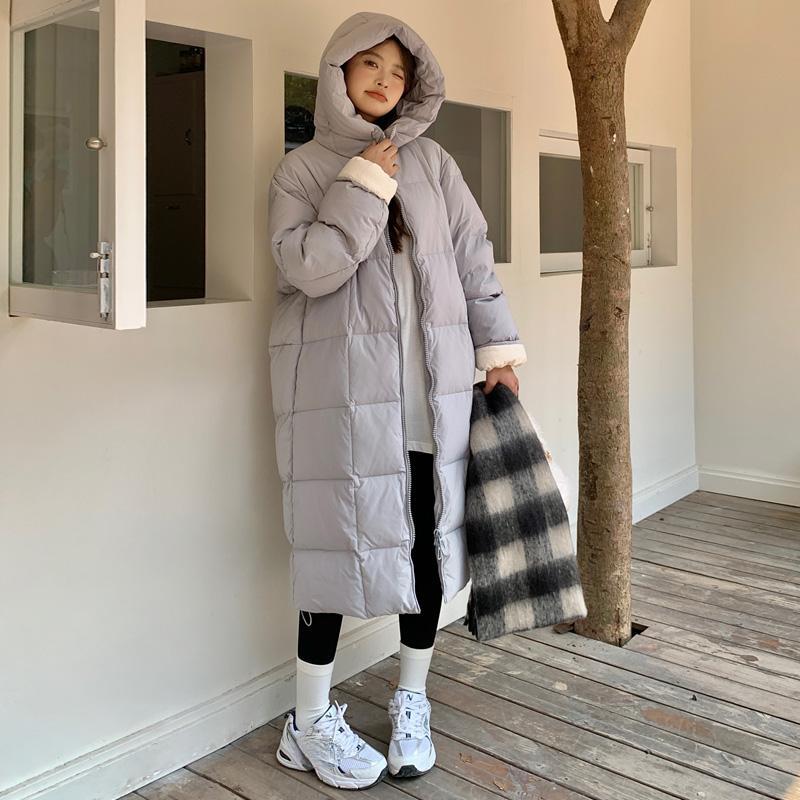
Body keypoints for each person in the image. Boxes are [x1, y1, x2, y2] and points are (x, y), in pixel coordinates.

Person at [268, 11, 527, 790]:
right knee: (332, 557)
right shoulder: (303, 171)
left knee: (428, 554)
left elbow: (473, 259)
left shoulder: (436, 164)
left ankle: (411, 698)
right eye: (370, 65)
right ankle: (307, 720)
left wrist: (498, 350)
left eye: (399, 71)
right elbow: (306, 268)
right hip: (342, 404)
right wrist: (363, 185)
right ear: (339, 71)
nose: (385, 80)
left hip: (433, 403)